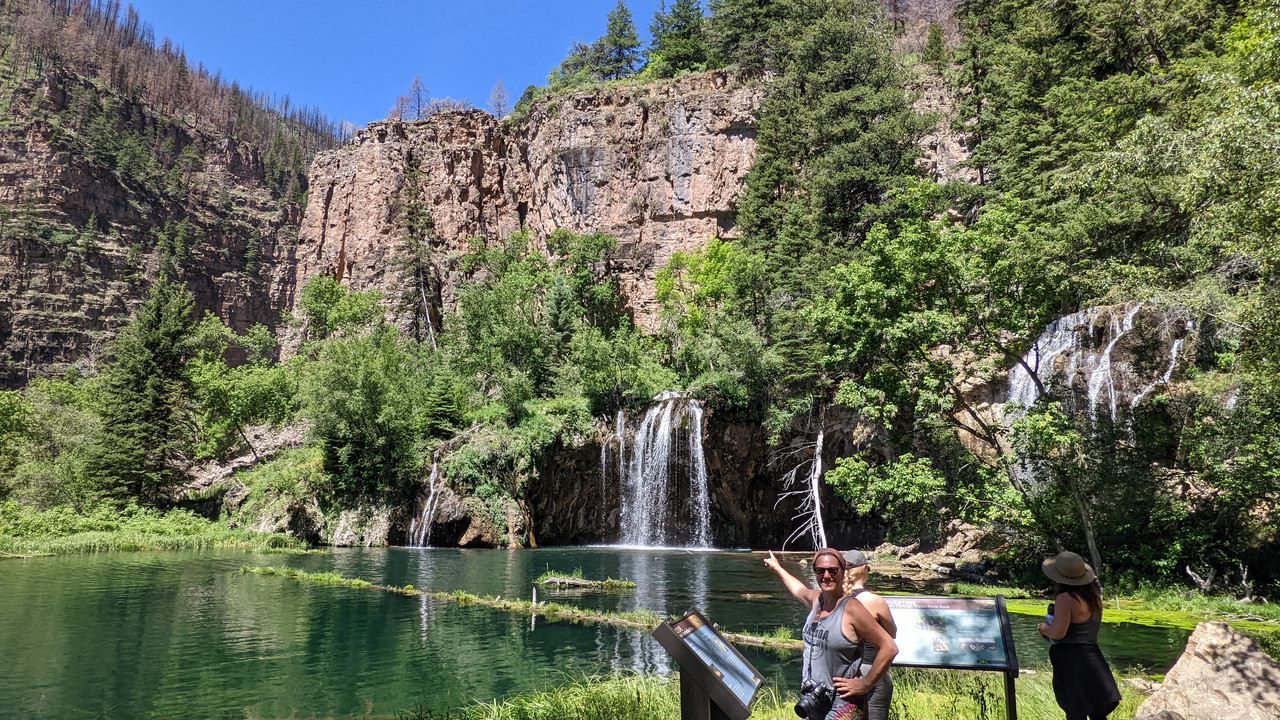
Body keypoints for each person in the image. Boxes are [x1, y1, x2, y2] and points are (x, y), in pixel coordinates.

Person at [765, 548, 898, 720]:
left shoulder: (851, 608)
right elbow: (798, 589)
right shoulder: (817, 600)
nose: (826, 576)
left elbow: (889, 647)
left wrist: (865, 684)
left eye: (832, 570)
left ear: (843, 573)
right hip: (815, 697)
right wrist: (778, 568)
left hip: (841, 704)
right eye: (820, 571)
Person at [1037, 551, 1121, 720]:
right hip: (1092, 656)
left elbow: (1058, 633)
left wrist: (1042, 627)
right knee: (1097, 711)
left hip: (1071, 660)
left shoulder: (1065, 598)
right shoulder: (1095, 598)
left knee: (1075, 710)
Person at [841, 550, 896, 720]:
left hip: (845, 672)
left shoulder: (836, 599)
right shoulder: (873, 600)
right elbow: (892, 633)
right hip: (872, 669)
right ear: (864, 569)